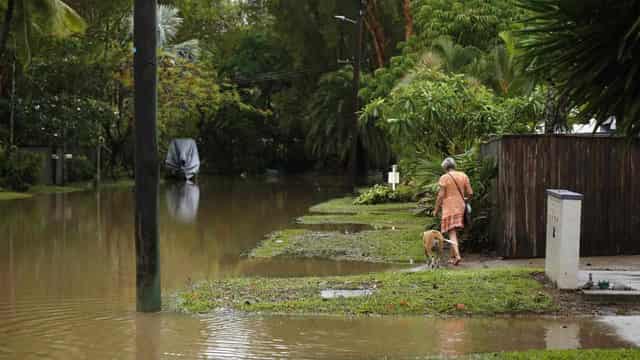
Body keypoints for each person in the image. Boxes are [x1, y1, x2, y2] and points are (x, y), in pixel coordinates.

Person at [432, 157, 473, 265]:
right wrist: (465, 200)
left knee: (451, 232)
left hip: (449, 207)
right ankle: (452, 257)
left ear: (445, 168)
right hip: (461, 206)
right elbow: (470, 193)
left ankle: (457, 256)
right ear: (454, 165)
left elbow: (441, 195)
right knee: (454, 233)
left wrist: (436, 209)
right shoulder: (463, 175)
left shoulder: (444, 178)